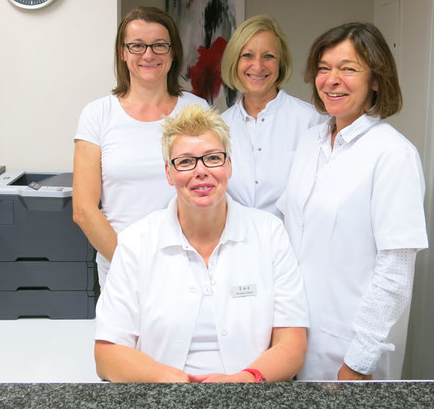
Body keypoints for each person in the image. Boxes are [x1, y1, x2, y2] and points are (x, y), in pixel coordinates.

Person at [94, 104, 309, 383]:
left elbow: (292, 344)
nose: (201, 171)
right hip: (163, 398)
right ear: (169, 173)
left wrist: (243, 380)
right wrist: (174, 382)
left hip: (249, 396)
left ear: (229, 166)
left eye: (212, 158)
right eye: (185, 162)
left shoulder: (269, 233)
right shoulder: (136, 242)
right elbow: (107, 354)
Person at [277, 22, 428, 381]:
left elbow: (395, 273)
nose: (332, 79)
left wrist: (358, 363)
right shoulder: (311, 141)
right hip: (293, 337)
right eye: (324, 68)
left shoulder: (393, 155)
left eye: (348, 69)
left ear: (376, 79)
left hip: (349, 348)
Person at [72, 7, 207, 285]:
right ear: (123, 52)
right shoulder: (97, 114)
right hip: (119, 266)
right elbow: (84, 209)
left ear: (172, 53)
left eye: (159, 45)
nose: (148, 55)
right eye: (137, 46)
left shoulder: (196, 109)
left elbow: (209, 193)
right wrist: (128, 264)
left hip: (187, 265)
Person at [220, 15, 325, 217]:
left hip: (292, 244)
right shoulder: (219, 126)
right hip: (234, 242)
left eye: (268, 56)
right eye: (248, 56)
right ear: (235, 61)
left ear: (281, 64)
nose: (258, 66)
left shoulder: (312, 120)